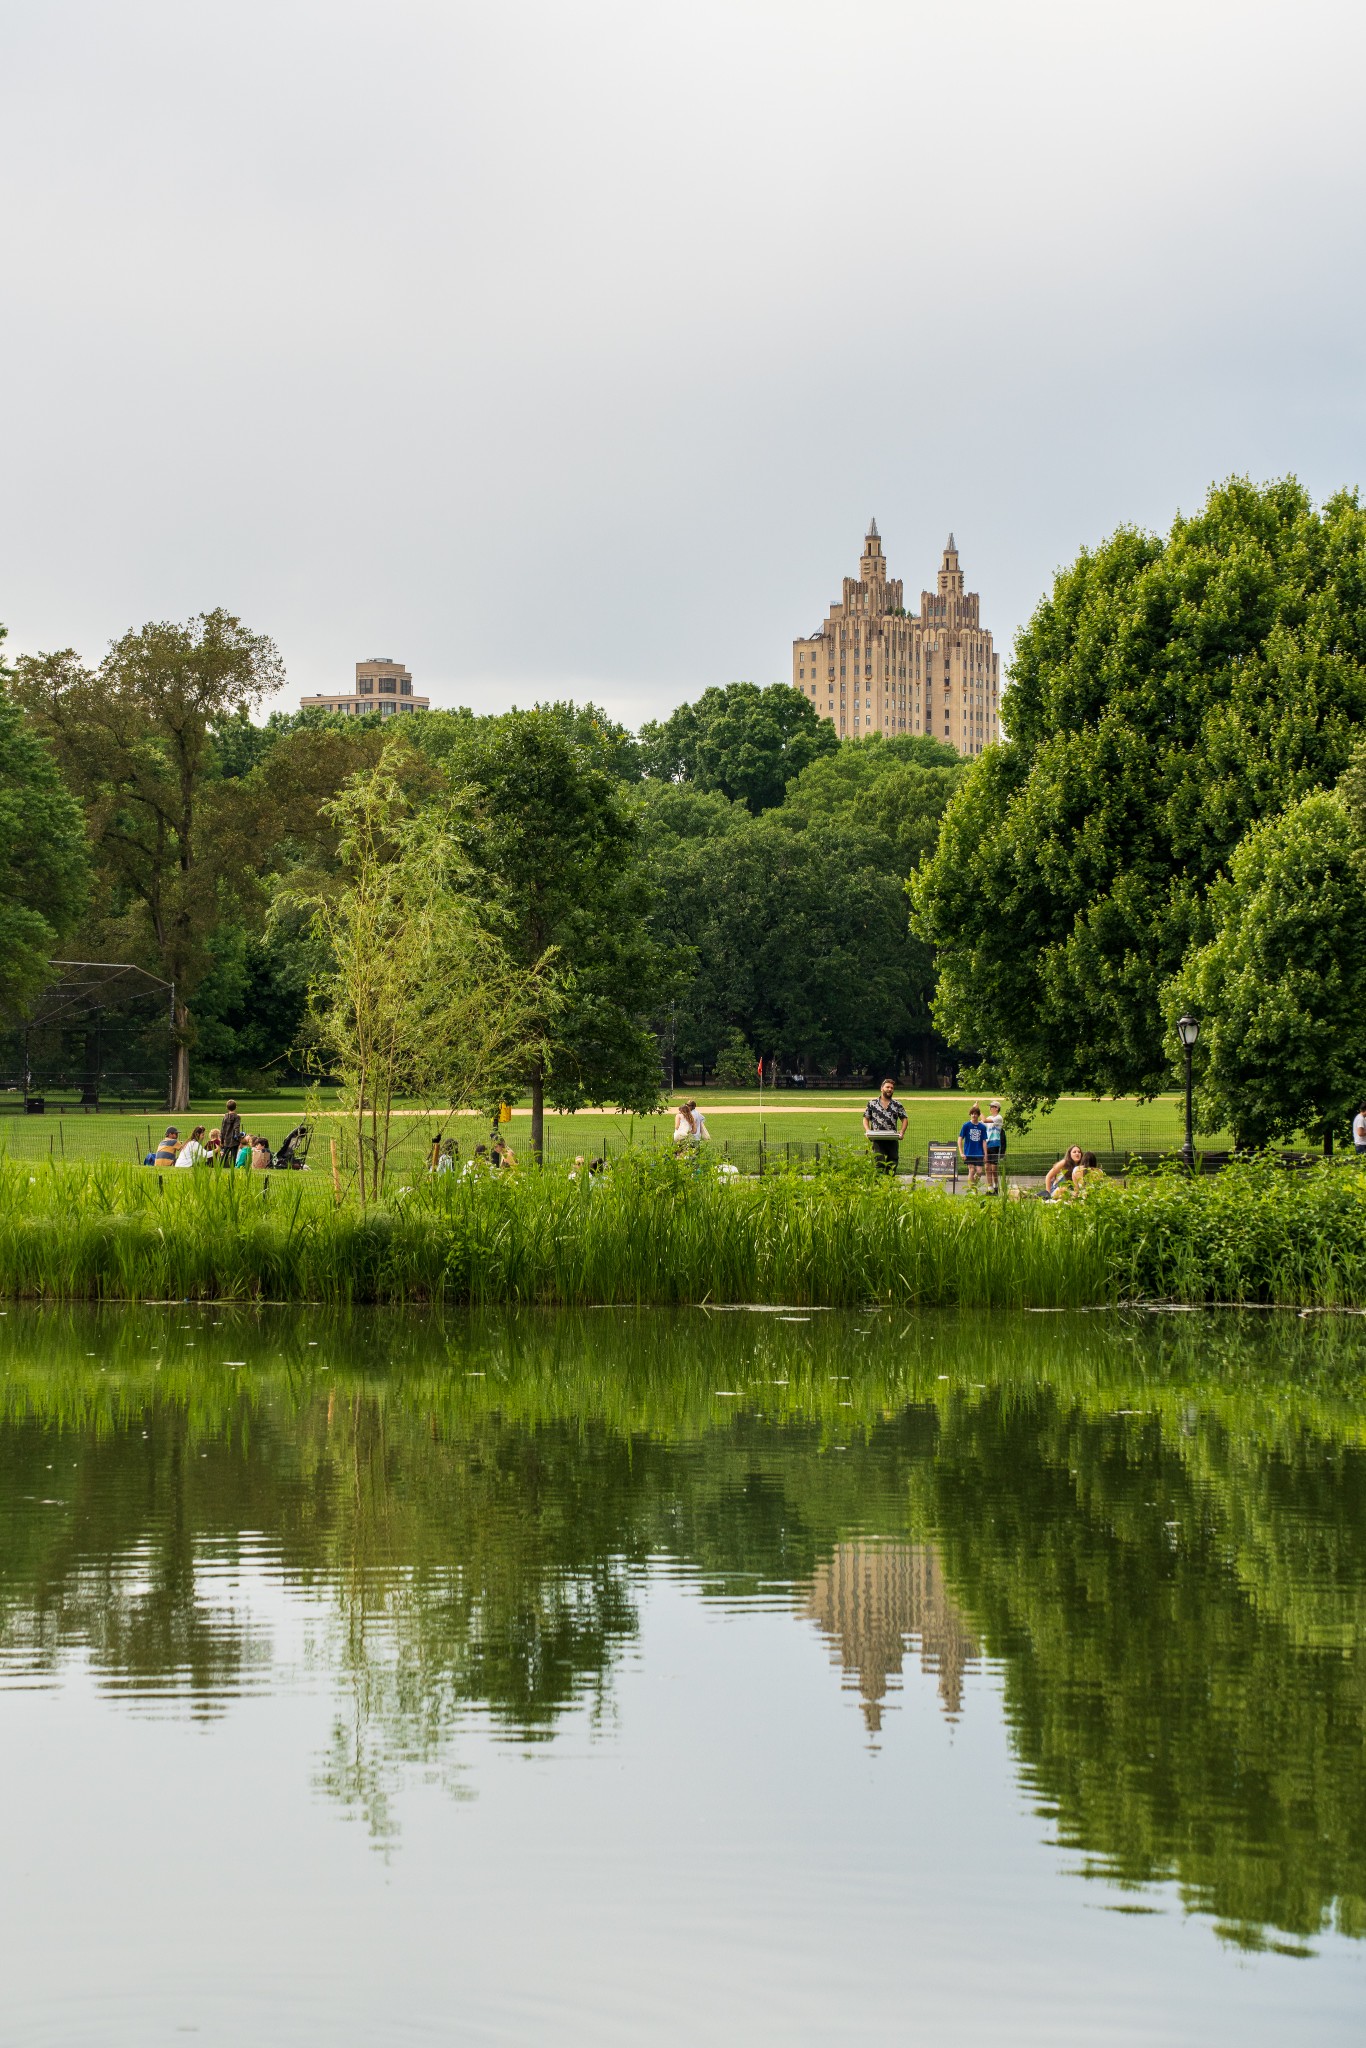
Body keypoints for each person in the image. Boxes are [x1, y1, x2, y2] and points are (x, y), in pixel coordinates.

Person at [863, 1078, 908, 1172]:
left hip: (892, 1138)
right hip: (877, 1138)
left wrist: (902, 1132)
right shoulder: (872, 1103)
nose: (890, 1089)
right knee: (879, 1162)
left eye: (892, 1088)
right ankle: (878, 1183)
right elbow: (866, 1118)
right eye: (887, 1087)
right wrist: (867, 1130)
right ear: (881, 1088)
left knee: (893, 1162)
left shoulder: (897, 1105)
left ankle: (889, 1182)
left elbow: (904, 1119)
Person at [983, 1099, 1006, 1192]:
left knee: (993, 1168)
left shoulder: (998, 1118)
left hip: (994, 1144)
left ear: (996, 1108)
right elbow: (980, 1122)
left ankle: (996, 1186)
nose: (990, 1108)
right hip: (987, 1144)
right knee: (987, 1167)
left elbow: (984, 1120)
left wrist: (978, 1110)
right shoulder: (990, 1117)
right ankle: (990, 1188)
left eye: (991, 1107)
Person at [218, 1099, 242, 1167]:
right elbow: (236, 1128)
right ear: (236, 1107)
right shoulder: (237, 1117)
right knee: (233, 1156)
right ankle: (232, 1168)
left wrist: (222, 1140)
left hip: (226, 1139)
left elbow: (223, 1129)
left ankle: (220, 1167)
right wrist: (239, 1138)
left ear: (227, 1107)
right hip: (234, 1140)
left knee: (224, 1155)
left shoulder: (225, 1117)